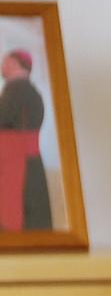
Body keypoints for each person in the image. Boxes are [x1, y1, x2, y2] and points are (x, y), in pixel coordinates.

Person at [0, 47, 52, 231]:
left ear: (14, 64)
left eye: (4, 62)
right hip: (26, 162)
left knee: (16, 217)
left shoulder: (17, 89)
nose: (2, 66)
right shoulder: (29, 90)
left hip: (15, 163)